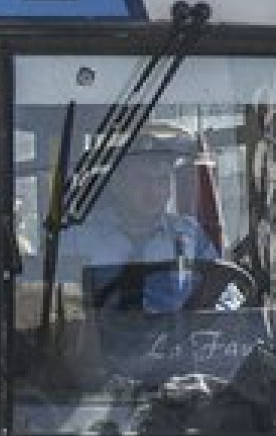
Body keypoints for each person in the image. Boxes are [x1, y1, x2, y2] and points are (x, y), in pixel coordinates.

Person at [63, 123, 224, 312]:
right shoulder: (77, 239)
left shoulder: (191, 236)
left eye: (162, 180)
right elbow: (57, 308)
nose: (154, 191)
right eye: (143, 179)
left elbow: (223, 297)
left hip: (176, 339)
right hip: (101, 339)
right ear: (116, 184)